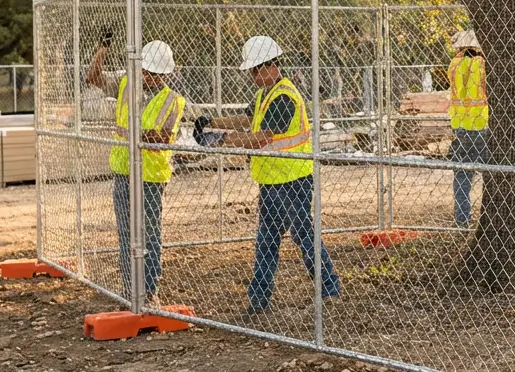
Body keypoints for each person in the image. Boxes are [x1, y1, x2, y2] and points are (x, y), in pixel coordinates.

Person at [195, 36, 339, 315]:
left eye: (255, 70)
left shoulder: (285, 96)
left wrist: (220, 139)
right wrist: (212, 122)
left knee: (303, 235)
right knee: (267, 241)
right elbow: (248, 120)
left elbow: (260, 137)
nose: (252, 76)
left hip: (292, 181)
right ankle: (259, 299)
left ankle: (329, 289)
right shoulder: (266, 94)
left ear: (271, 66)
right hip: (272, 181)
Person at [85, 35, 184, 305]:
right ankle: (131, 289)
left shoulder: (172, 101)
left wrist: (145, 137)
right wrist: (102, 49)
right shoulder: (126, 82)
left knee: (150, 233)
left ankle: (148, 290)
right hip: (123, 170)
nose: (148, 76)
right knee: (126, 232)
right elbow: (92, 77)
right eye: (145, 70)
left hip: (151, 176)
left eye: (154, 73)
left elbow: (164, 137)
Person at [447, 29, 487, 229]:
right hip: (483, 124)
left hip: (460, 125)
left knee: (462, 174)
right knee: (491, 170)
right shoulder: (483, 65)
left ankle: (462, 219)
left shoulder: (454, 65)